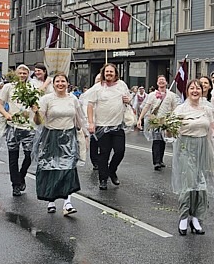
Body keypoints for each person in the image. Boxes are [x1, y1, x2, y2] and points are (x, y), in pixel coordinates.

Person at [173, 79, 214, 236]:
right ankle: (183, 217)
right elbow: (170, 131)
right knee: (189, 183)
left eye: (198, 89)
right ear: (187, 91)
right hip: (186, 148)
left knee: (200, 184)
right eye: (192, 88)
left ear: (202, 91)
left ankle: (196, 218)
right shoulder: (180, 110)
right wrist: (164, 127)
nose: (195, 91)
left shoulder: (206, 110)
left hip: (203, 148)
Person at [33, 72, 86, 216]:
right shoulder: (46, 99)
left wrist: (84, 135)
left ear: (68, 83)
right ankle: (51, 200)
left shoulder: (73, 99)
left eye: (63, 81)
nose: (60, 84)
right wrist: (36, 113)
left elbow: (78, 118)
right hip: (51, 137)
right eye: (57, 81)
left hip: (68, 137)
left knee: (68, 169)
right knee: (51, 168)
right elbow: (39, 122)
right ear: (53, 84)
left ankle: (67, 203)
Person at [85, 63, 131, 191]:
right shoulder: (98, 87)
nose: (109, 74)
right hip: (102, 126)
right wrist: (90, 122)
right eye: (107, 72)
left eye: (111, 72)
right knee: (104, 154)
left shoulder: (122, 85)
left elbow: (129, 100)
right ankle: (103, 179)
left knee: (120, 151)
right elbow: (90, 105)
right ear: (103, 73)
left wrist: (128, 100)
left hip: (117, 126)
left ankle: (112, 170)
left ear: (116, 73)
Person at [0, 64, 37, 197]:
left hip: (29, 127)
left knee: (29, 155)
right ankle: (15, 185)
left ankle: (22, 175)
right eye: (20, 73)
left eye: (25, 73)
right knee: (13, 157)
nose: (22, 75)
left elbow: (38, 103)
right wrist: (6, 114)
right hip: (13, 126)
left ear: (28, 75)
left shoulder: (32, 87)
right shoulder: (9, 87)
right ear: (16, 74)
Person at [137, 75, 180, 170]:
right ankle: (156, 161)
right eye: (159, 80)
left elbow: (174, 108)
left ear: (166, 82)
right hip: (155, 120)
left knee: (163, 141)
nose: (161, 82)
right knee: (156, 141)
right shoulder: (152, 95)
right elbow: (146, 107)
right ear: (157, 83)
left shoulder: (171, 95)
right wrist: (140, 118)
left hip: (166, 121)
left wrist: (173, 120)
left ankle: (160, 159)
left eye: (163, 80)